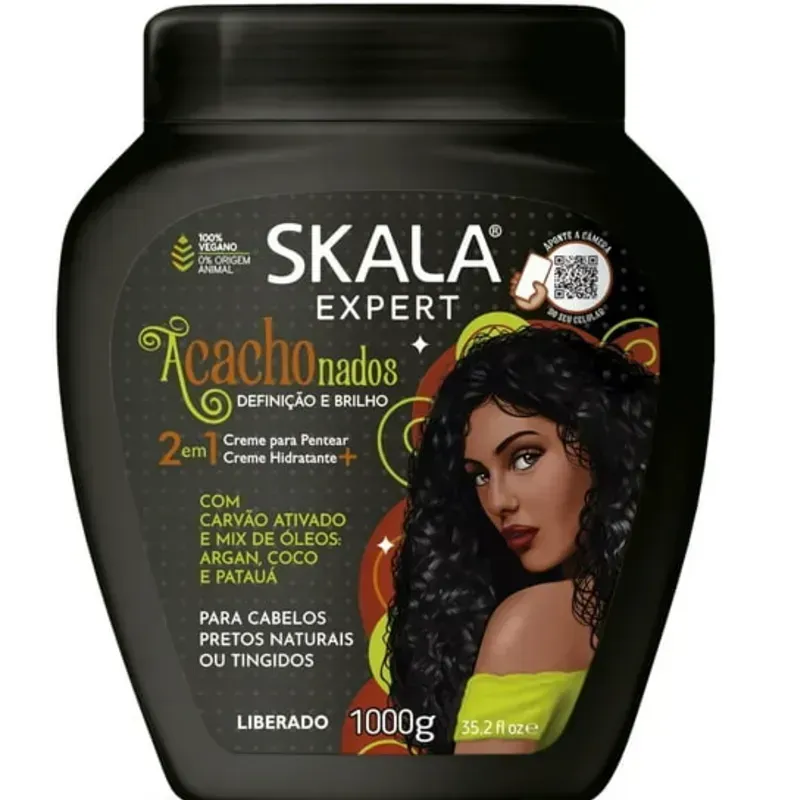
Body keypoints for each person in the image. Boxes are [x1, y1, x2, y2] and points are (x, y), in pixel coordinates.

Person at [385, 324, 658, 754]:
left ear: (603, 446)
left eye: (525, 457)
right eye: (479, 476)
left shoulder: (532, 621)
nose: (498, 501)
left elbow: (479, 787)